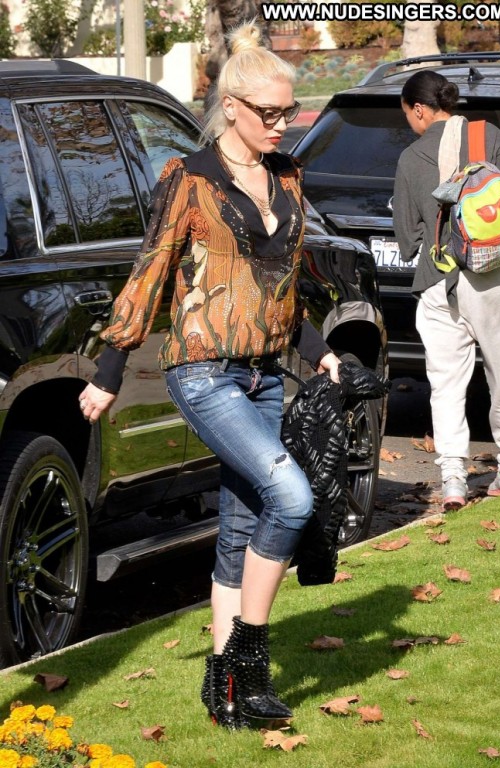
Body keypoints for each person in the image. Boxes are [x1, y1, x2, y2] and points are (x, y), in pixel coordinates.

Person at [78, 21, 342, 729]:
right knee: (290, 496)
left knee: (241, 527)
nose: (282, 124)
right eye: (269, 112)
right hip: (204, 371)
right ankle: (248, 663)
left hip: (266, 373)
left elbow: (284, 281)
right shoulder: (189, 179)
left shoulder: (288, 176)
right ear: (231, 106)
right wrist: (109, 370)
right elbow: (151, 270)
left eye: (289, 111)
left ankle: (224, 692)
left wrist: (316, 347)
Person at [393, 69, 500, 511]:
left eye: (407, 114)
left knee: (445, 385)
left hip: (437, 281)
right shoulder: (490, 136)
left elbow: (407, 243)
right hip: (493, 278)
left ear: (419, 110)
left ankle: (454, 481)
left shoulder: (410, 158)